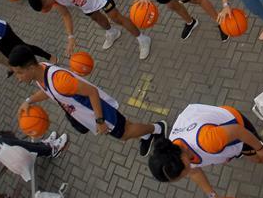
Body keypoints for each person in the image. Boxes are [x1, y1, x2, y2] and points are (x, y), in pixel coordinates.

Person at [9, 45, 166, 155]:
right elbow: (48, 92)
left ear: (30, 68)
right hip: (87, 113)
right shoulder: (40, 73)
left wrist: (100, 120)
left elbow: (92, 92)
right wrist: (29, 100)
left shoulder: (60, 81)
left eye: (19, 73)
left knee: (124, 134)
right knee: (126, 128)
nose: (18, 78)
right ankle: (146, 135)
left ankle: (157, 129)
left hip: (99, 110)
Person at [147, 103, 263, 198]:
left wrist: (260, 148)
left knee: (260, 158)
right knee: (247, 155)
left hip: (235, 123)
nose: (186, 174)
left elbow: (237, 131)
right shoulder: (177, 153)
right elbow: (194, 172)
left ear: (182, 155)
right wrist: (211, 195)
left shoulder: (208, 141)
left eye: (184, 172)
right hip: (217, 131)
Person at [28, 0, 152, 59]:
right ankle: (112, 33)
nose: (49, 8)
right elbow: (65, 15)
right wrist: (71, 37)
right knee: (96, 18)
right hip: (84, 2)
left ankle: (142, 39)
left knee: (116, 18)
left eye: (47, 7)